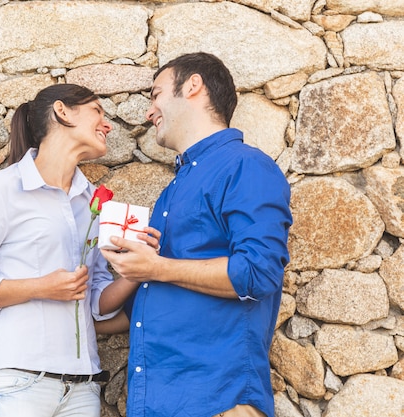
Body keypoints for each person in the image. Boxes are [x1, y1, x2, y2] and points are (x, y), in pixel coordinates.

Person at [101, 52, 293, 417]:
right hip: (157, 403)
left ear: (193, 86)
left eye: (155, 94)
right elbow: (156, 296)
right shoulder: (174, 189)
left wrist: (156, 268)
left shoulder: (245, 166)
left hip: (217, 400)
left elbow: (258, 273)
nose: (148, 111)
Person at [0, 84, 149, 417]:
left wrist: (138, 271)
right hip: (19, 383)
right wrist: (41, 287)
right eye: (97, 111)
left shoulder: (92, 202)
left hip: (82, 387)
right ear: (62, 111)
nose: (107, 124)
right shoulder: (4, 188)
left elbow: (95, 303)